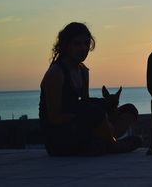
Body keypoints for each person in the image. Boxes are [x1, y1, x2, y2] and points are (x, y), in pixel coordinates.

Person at [39, 22, 142, 156]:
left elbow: (84, 103)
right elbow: (55, 118)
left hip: (81, 129)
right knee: (95, 112)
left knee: (129, 110)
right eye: (77, 44)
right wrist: (94, 116)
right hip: (60, 137)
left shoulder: (83, 71)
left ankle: (100, 143)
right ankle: (112, 145)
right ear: (66, 45)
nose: (83, 48)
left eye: (86, 44)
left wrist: (105, 109)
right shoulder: (56, 73)